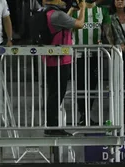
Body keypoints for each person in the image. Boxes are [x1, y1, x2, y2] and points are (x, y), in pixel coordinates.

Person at [40, 0, 85, 136]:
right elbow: (80, 24)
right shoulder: (58, 15)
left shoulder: (49, 13)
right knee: (57, 94)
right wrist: (82, 8)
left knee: (54, 94)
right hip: (60, 60)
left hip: (51, 59)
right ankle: (52, 128)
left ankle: (52, 126)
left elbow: (64, 24)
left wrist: (71, 10)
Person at [72, 0, 113, 125]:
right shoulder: (75, 11)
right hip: (78, 55)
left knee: (92, 86)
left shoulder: (102, 11)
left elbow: (108, 32)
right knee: (80, 86)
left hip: (96, 55)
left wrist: (112, 47)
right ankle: (82, 115)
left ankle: (87, 114)